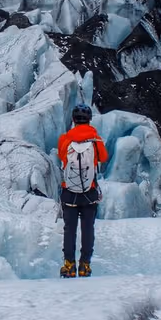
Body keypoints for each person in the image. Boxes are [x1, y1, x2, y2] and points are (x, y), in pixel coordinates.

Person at [55, 104, 107, 277]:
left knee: (69, 229)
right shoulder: (95, 139)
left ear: (73, 120)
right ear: (90, 119)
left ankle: (69, 266)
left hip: (69, 191)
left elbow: (62, 157)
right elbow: (104, 157)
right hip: (89, 191)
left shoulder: (65, 139)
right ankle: (85, 265)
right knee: (87, 229)